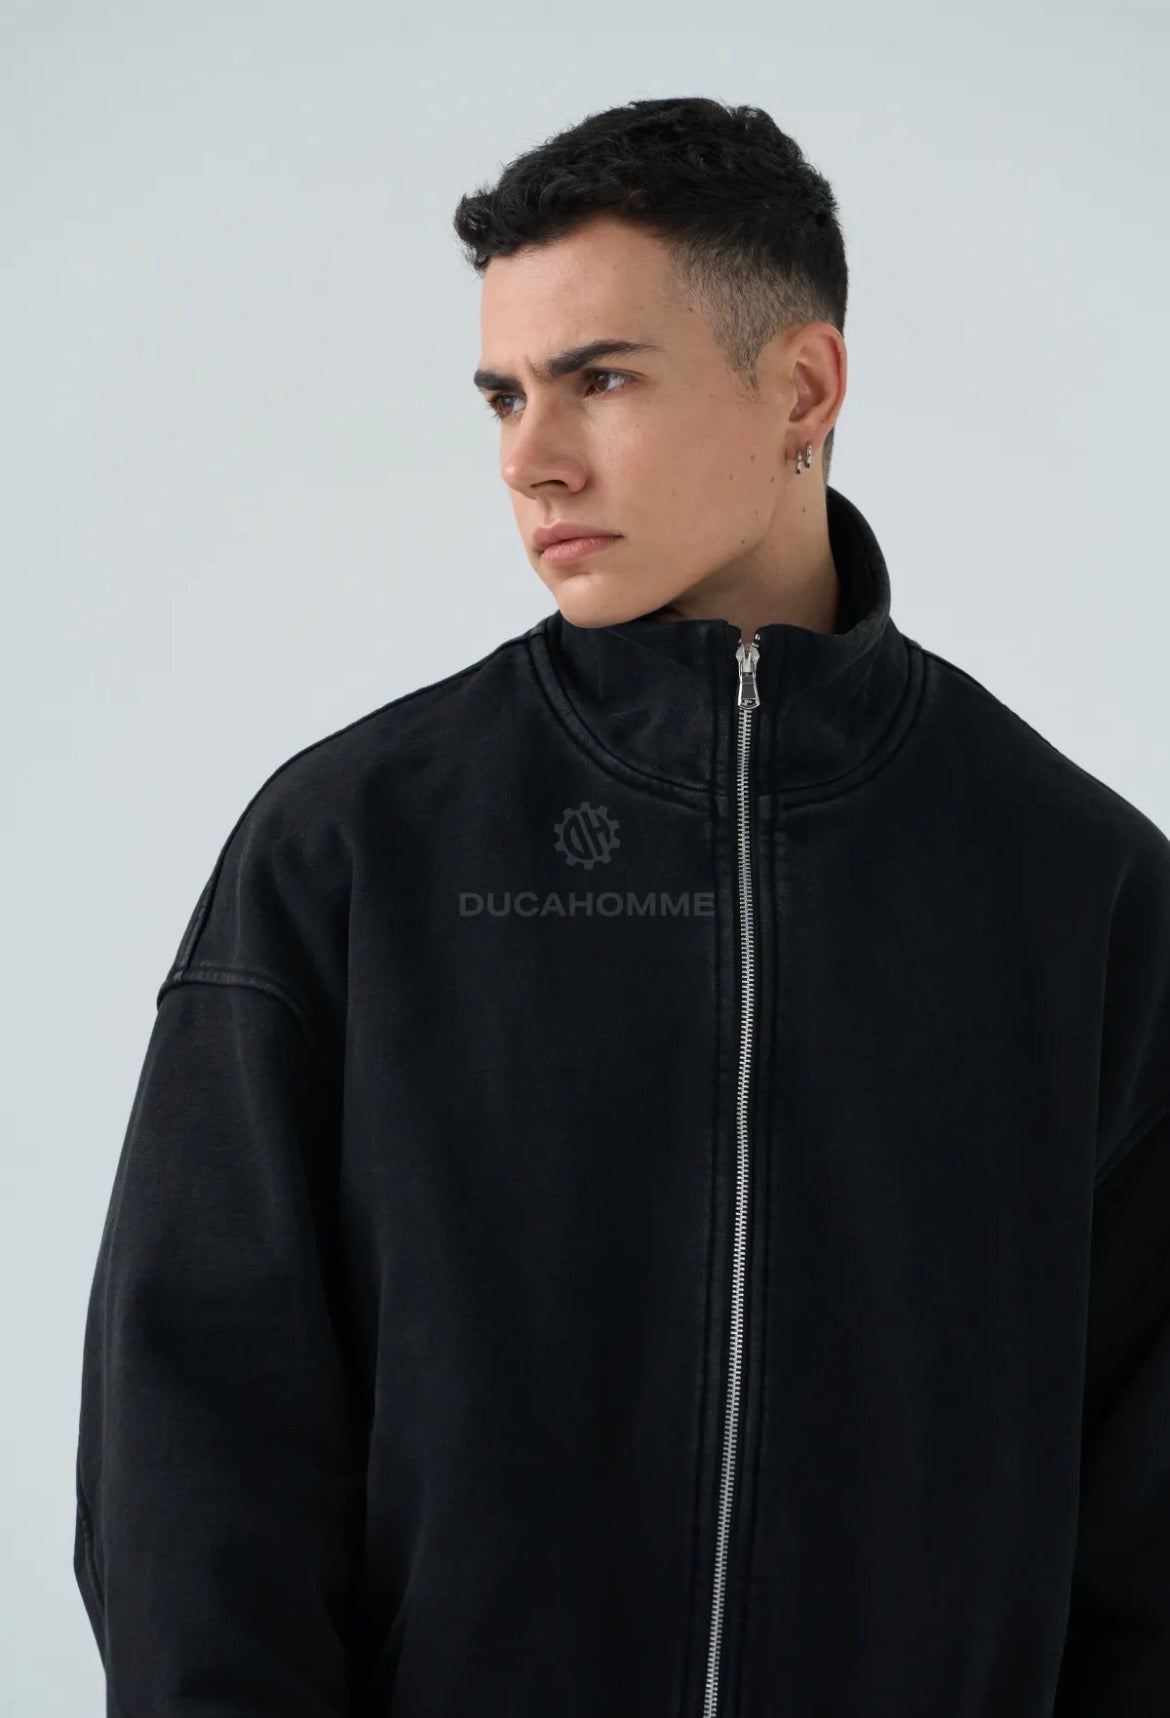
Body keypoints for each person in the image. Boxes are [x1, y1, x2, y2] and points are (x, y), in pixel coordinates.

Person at [73, 96, 1170, 1716]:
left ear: (801, 387)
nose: (528, 456)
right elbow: (193, 1458)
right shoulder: (350, 850)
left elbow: (1148, 1514)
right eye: (504, 394)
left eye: (599, 378)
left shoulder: (1079, 889)